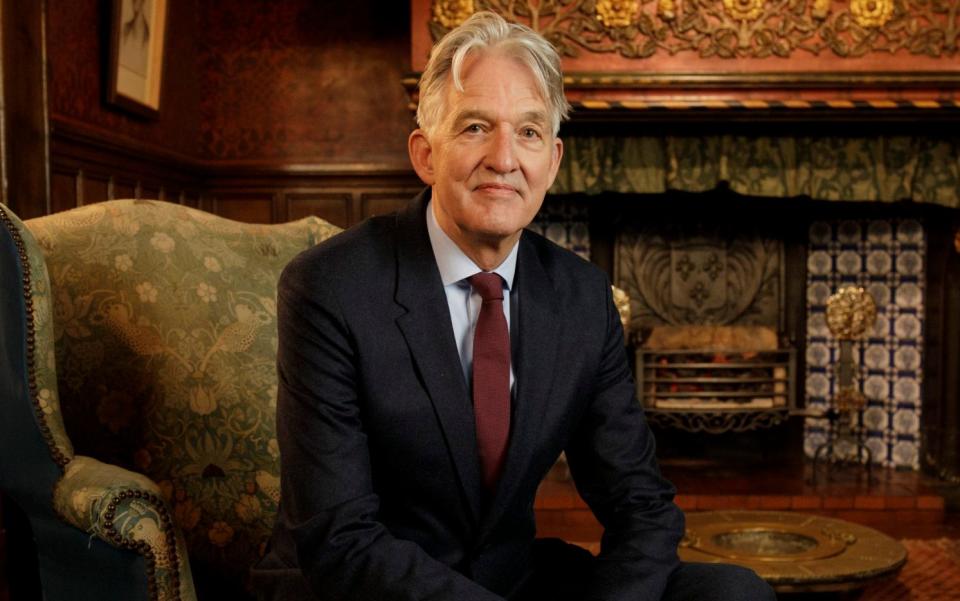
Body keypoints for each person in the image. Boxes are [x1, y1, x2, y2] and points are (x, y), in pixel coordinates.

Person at [254, 10, 776, 601]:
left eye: (528, 132)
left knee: (733, 592)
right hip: (362, 587)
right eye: (476, 126)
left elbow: (640, 504)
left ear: (551, 162)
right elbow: (340, 538)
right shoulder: (331, 287)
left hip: (509, 580)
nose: (504, 159)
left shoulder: (582, 297)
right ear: (426, 154)